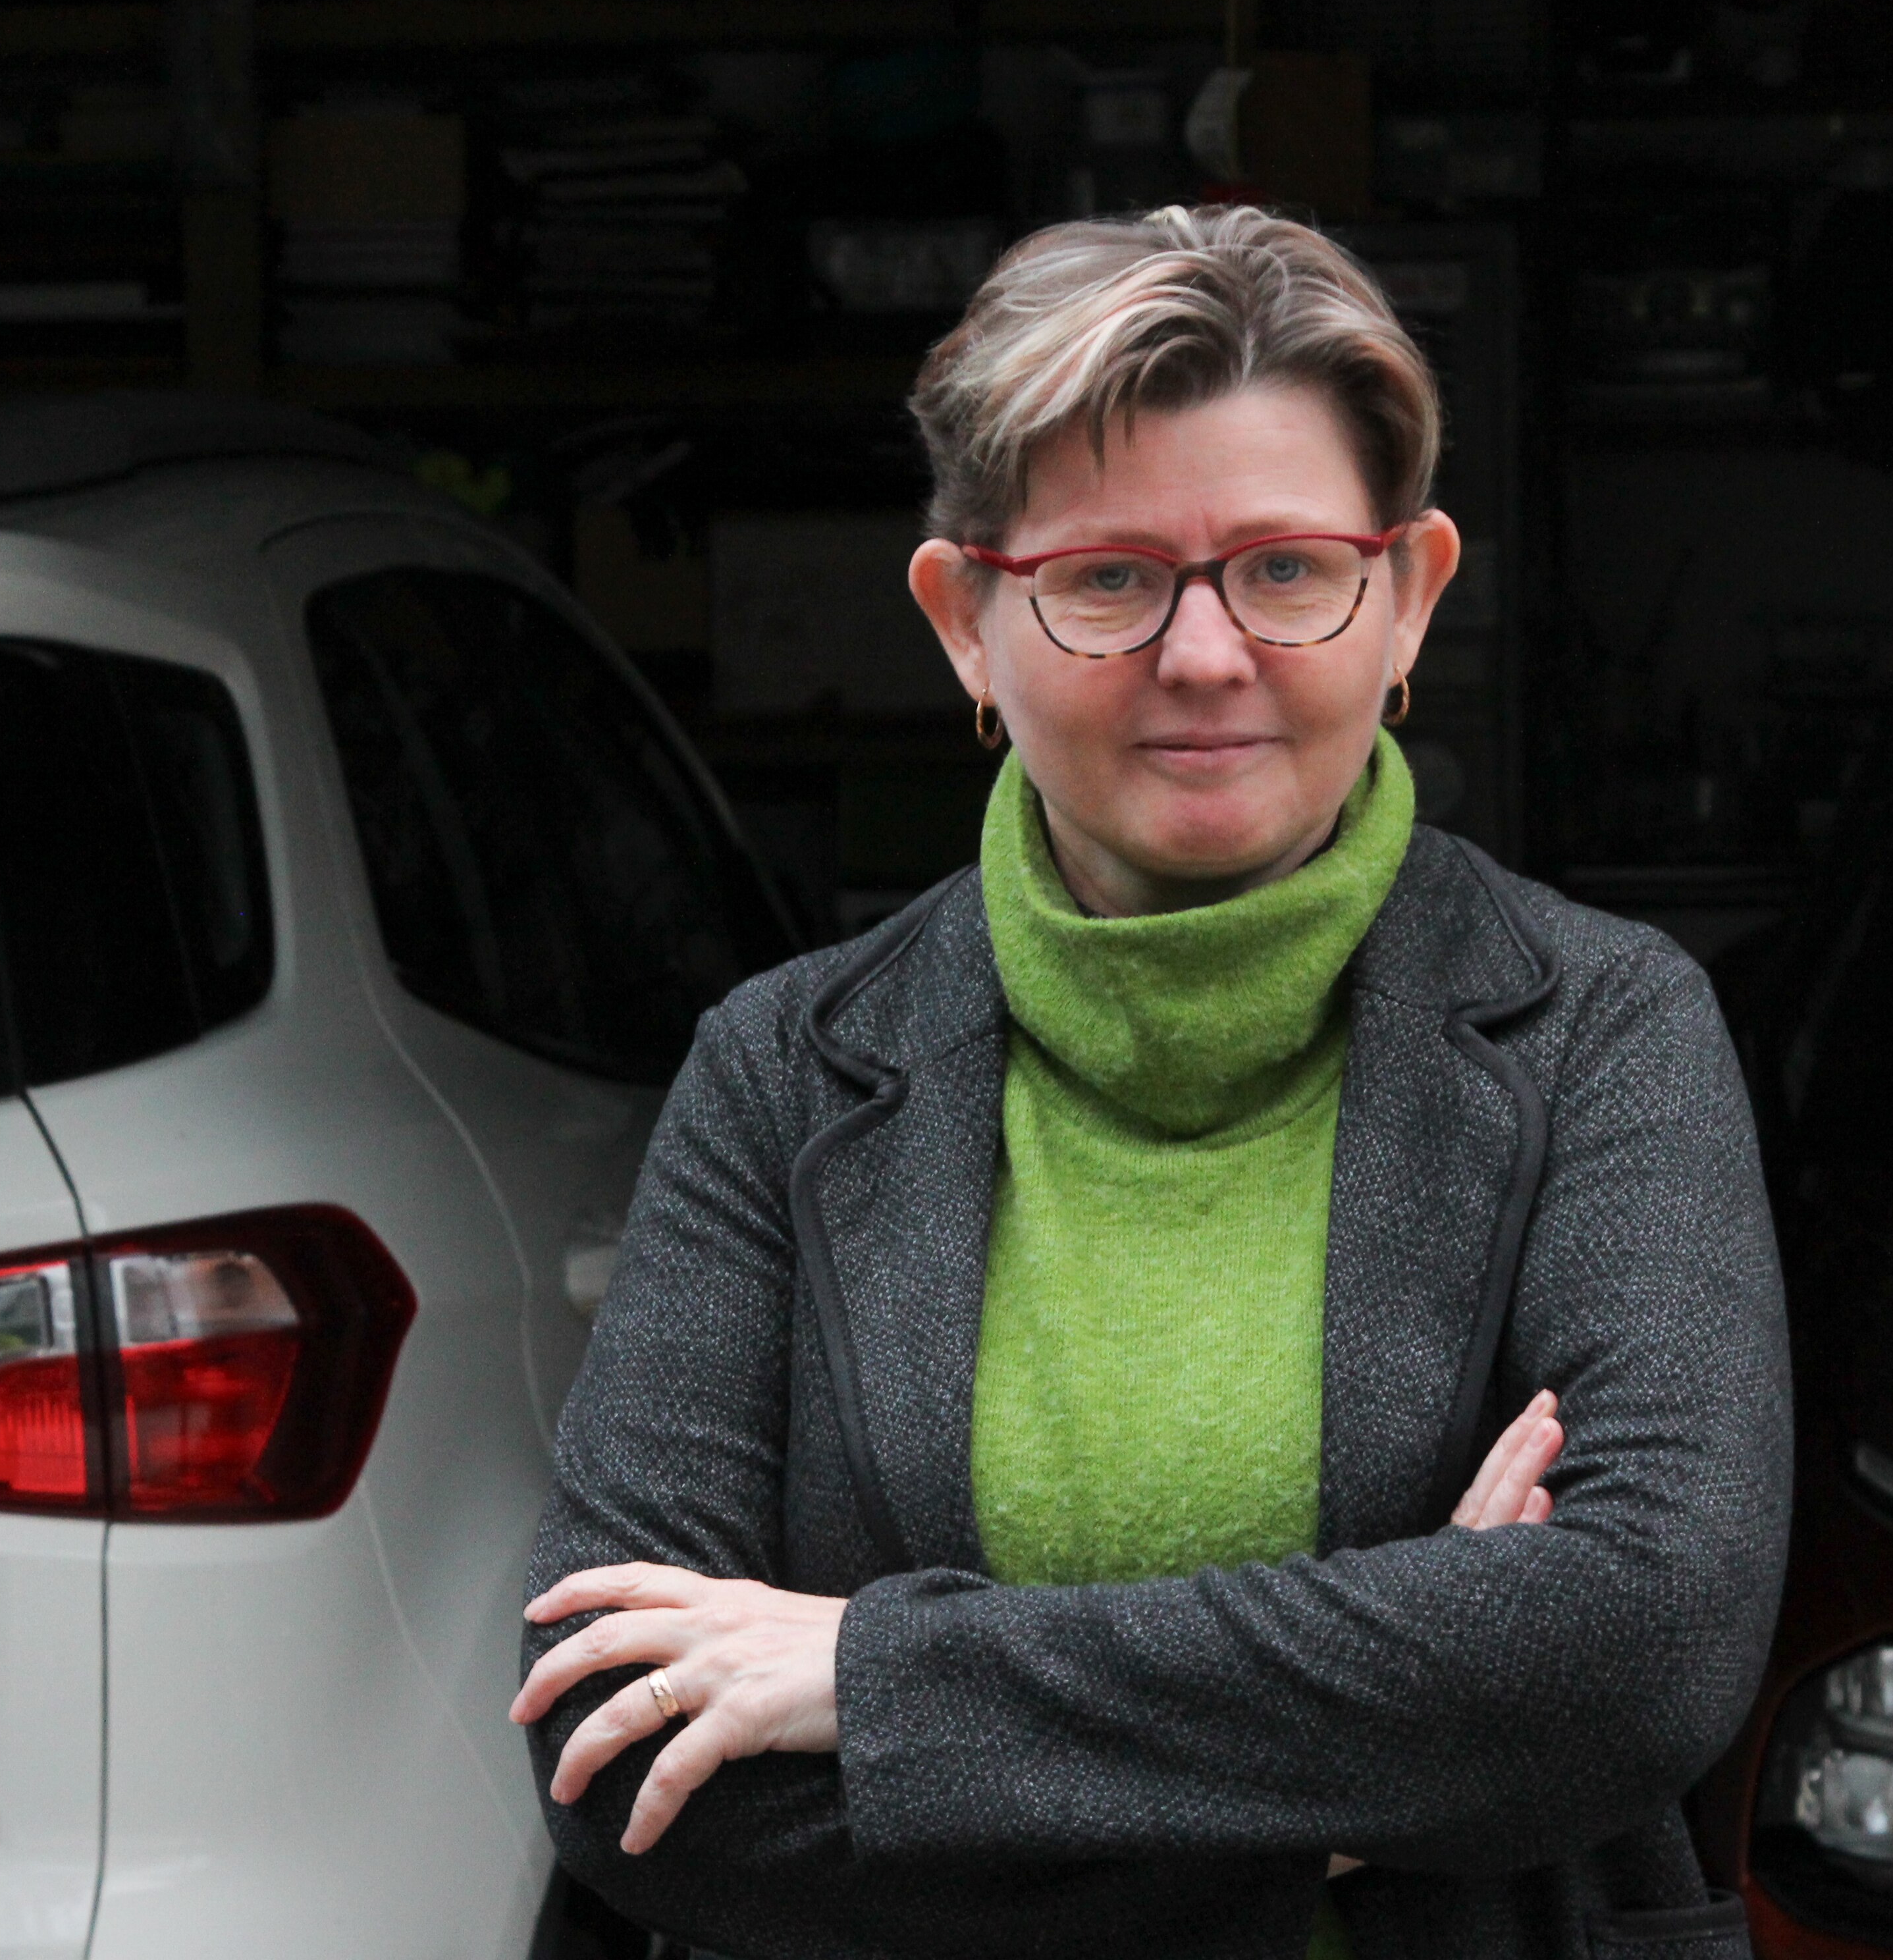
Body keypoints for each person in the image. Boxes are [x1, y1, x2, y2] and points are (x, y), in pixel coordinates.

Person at [512, 205, 1790, 1960]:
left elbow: (1640, 1650)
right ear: (966, 620)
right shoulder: (785, 1075)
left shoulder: (1602, 1034)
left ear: (1407, 594)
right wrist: (1366, 1804)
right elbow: (621, 1747)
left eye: (1285, 568)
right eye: (1108, 578)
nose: (1206, 656)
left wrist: (876, 1683)